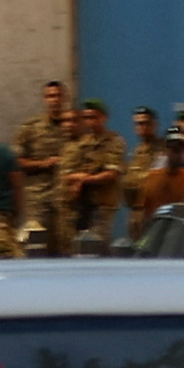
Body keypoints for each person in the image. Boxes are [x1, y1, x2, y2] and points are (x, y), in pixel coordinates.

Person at [57, 99, 127, 254]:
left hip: (102, 203)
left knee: (97, 245)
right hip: (82, 204)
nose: (90, 122)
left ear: (103, 118)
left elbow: (111, 173)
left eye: (94, 117)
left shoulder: (114, 141)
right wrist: (81, 178)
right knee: (76, 247)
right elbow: (67, 174)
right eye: (86, 118)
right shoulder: (82, 142)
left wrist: (82, 179)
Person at [14, 79, 70, 245]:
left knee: (65, 244)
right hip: (38, 197)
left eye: (58, 96)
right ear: (45, 99)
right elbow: (17, 161)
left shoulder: (72, 125)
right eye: (50, 96)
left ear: (64, 98)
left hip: (65, 198)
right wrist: (43, 163)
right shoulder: (31, 128)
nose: (55, 100)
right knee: (37, 244)